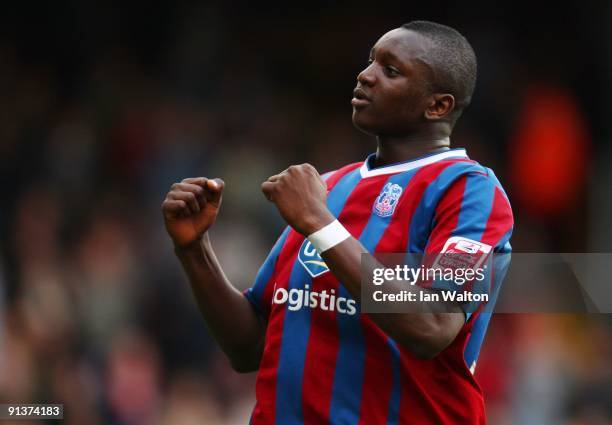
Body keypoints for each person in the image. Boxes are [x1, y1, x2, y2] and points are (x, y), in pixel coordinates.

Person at [162, 20, 513, 425]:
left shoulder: (469, 190)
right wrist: (193, 249)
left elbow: (433, 324)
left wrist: (320, 224)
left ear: (437, 106)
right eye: (371, 62)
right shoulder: (329, 187)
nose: (365, 75)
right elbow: (250, 347)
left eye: (391, 70)